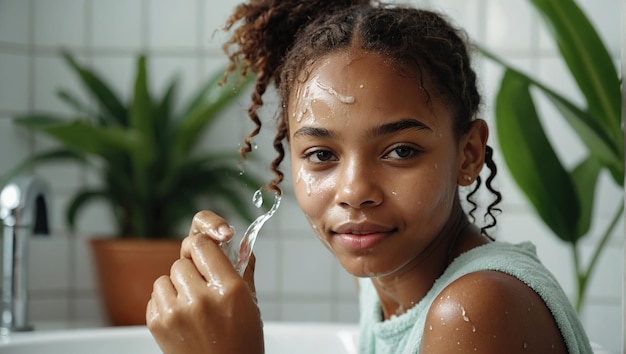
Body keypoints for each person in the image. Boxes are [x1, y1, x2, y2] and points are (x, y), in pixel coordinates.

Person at [145, 1, 594, 353]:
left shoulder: (475, 308)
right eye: (321, 154)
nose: (355, 191)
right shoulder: (389, 288)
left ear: (469, 153)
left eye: (401, 151)